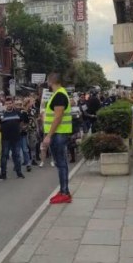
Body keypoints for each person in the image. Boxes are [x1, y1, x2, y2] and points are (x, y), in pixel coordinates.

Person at [43, 74, 73, 204]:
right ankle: (63, 190)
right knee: (61, 163)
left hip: (58, 134)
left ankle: (65, 192)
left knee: (61, 164)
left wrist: (49, 135)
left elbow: (58, 117)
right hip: (58, 133)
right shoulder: (59, 94)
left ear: (51, 82)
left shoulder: (59, 95)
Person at [0, 100, 25, 180]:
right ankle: (3, 174)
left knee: (16, 155)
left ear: (12, 104)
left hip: (16, 138)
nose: (9, 105)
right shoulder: (1, 113)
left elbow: (21, 122)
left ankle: (19, 173)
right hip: (5, 138)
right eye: (7, 104)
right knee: (4, 155)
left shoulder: (17, 112)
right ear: (4, 105)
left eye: (10, 103)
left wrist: (19, 129)